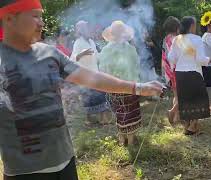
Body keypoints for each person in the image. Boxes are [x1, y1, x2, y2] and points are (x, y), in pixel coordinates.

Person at [0, 1, 163, 179]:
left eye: (41, 16)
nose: (42, 22)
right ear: (9, 18)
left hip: (65, 160)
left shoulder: (49, 53)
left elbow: (90, 77)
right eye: (35, 16)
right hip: (24, 171)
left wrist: (138, 87)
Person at [98, 20, 141, 145]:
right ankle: (130, 140)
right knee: (130, 111)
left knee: (120, 112)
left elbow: (103, 70)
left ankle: (122, 139)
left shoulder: (106, 50)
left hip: (114, 86)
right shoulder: (131, 49)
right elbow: (136, 66)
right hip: (129, 85)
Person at [168, 16, 210, 135]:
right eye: (195, 24)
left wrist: (180, 62)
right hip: (194, 73)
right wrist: (208, 59)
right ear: (191, 26)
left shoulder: (177, 39)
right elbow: (201, 59)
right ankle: (192, 126)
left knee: (185, 98)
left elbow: (171, 58)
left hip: (180, 73)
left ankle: (187, 125)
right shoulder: (197, 39)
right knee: (198, 98)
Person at [70, 20, 109, 125]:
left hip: (95, 72)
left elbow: (97, 56)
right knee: (87, 97)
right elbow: (73, 59)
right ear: (81, 31)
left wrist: (105, 54)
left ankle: (103, 118)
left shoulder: (91, 42)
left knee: (101, 94)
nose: (89, 30)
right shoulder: (78, 42)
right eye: (86, 28)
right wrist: (82, 54)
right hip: (85, 74)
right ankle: (88, 119)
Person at [162, 16, 181, 125]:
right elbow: (177, 56)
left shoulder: (166, 38)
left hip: (168, 70)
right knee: (182, 95)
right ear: (176, 27)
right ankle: (172, 112)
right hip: (175, 70)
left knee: (176, 95)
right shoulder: (176, 39)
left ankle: (177, 117)